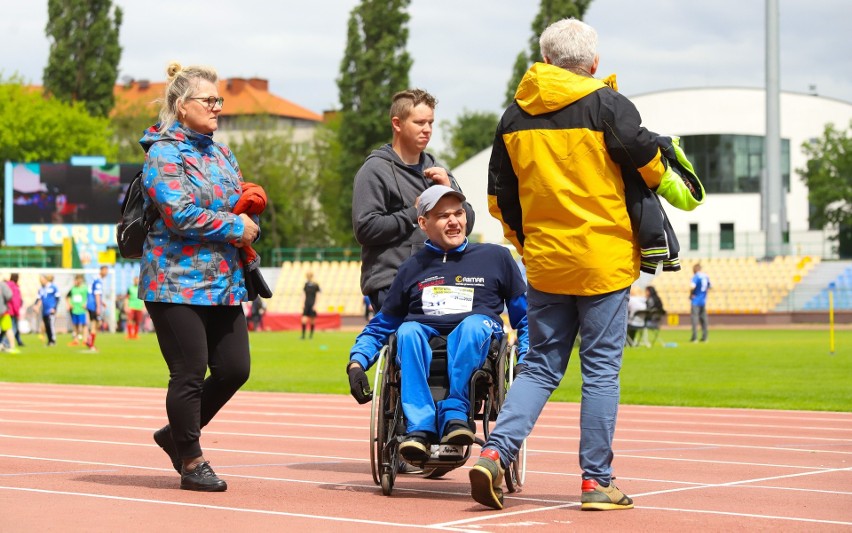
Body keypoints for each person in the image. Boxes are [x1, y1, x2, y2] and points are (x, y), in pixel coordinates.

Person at [470, 18, 703, 512]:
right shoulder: (607, 104)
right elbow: (651, 166)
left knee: (539, 367)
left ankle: (495, 452)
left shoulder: (513, 118)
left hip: (547, 263)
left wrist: (528, 244)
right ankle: (596, 482)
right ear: (593, 64)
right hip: (604, 261)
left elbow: (498, 199)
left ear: (546, 60)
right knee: (600, 373)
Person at [141, 62, 260, 492]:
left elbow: (239, 204)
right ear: (180, 105)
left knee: (234, 369)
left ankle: (173, 434)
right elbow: (179, 215)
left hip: (223, 281)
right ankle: (191, 459)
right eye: (208, 100)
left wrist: (250, 220)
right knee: (189, 371)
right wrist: (235, 227)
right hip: (173, 281)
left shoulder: (222, 153)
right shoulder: (163, 152)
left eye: (218, 100)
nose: (217, 108)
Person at [346, 185, 529, 464]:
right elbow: (383, 324)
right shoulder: (411, 268)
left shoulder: (496, 258)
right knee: (407, 331)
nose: (454, 221)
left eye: (459, 213)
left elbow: (525, 317)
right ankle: (419, 427)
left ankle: (456, 415)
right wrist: (357, 363)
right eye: (443, 216)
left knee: (474, 326)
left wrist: (527, 359)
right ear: (423, 223)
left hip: (477, 338)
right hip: (423, 336)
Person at [351, 88, 476, 313]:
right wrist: (414, 213)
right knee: (411, 342)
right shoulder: (375, 170)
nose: (427, 130)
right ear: (397, 124)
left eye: (431, 123)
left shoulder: (437, 170)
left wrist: (448, 190)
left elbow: (467, 225)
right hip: (393, 282)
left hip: (438, 278)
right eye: (419, 123)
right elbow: (365, 229)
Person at [86, 265, 109, 352]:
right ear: (101, 270)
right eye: (105, 270)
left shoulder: (95, 279)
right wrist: (99, 306)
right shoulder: (98, 281)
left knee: (95, 323)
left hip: (91, 304)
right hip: (94, 305)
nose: (106, 273)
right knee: (97, 323)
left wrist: (101, 302)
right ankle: (90, 343)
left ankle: (89, 340)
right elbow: (97, 294)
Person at [35, 274, 59, 347]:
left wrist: (54, 308)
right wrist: (36, 306)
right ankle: (49, 340)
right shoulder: (41, 289)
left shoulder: (53, 287)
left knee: (50, 324)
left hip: (51, 310)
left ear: (45, 279)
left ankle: (53, 340)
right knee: (46, 325)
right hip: (44, 310)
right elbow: (39, 299)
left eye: (42, 280)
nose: (41, 282)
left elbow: (57, 298)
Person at [690, 263, 711, 342]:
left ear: (695, 269)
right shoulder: (706, 276)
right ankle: (705, 337)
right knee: (704, 320)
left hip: (695, 301)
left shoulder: (696, 277)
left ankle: (694, 337)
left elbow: (692, 286)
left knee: (695, 319)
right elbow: (710, 286)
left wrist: (691, 294)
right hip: (703, 301)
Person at [67, 274, 89, 346]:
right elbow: (67, 297)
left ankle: (85, 340)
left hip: (82, 309)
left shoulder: (85, 288)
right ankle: (75, 340)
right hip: (74, 309)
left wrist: (86, 303)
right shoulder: (73, 289)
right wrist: (69, 304)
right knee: (75, 325)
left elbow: (89, 297)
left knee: (84, 325)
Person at [0, 280, 19, 354]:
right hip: (3, 311)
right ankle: (12, 347)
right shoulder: (2, 285)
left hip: (3, 311)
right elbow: (9, 295)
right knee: (8, 329)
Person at [5, 274, 24, 348]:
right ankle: (6, 343)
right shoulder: (15, 288)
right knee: (13, 328)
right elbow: (15, 301)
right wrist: (17, 312)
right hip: (12, 311)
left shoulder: (5, 286)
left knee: (6, 328)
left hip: (4, 310)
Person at [301, 272, 320, 339]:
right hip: (307, 304)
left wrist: (315, 304)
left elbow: (317, 295)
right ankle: (303, 336)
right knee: (303, 320)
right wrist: (303, 303)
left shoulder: (316, 285)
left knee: (312, 320)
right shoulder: (306, 285)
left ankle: (311, 336)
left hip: (312, 304)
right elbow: (304, 294)